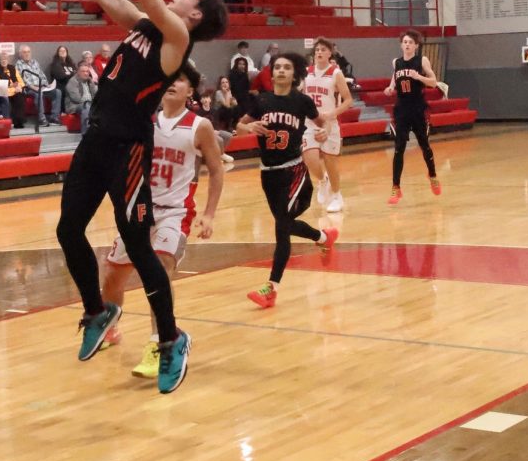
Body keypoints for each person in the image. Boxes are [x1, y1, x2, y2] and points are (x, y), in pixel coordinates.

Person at [55, 0, 228, 395]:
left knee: (137, 246)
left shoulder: (176, 37)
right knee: (68, 229)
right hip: (95, 140)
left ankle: (172, 340)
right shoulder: (141, 28)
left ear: (194, 16)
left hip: (129, 150)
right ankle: (97, 311)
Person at [100, 64, 225, 379]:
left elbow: (217, 169)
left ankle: (160, 344)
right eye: (169, 78)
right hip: (140, 210)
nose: (172, 84)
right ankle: (109, 326)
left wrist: (209, 213)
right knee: (113, 275)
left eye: (180, 80)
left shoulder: (200, 126)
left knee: (160, 268)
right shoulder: (145, 121)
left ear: (190, 90)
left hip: (175, 212)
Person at [238, 51, 338, 309]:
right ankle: (323, 237)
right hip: (267, 173)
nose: (281, 71)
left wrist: (323, 133)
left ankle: (271, 288)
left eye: (286, 67)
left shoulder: (301, 101)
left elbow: (322, 124)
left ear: (295, 74)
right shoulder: (261, 101)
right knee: (285, 224)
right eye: (278, 67)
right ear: (272, 73)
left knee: (281, 228)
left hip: (293, 171)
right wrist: (248, 128)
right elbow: (240, 125)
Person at [384, 28, 440, 204]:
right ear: (401, 45)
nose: (407, 45)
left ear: (416, 45)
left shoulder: (421, 60)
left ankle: (432, 175)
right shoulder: (396, 63)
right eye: (405, 42)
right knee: (399, 148)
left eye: (410, 42)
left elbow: (433, 82)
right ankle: (395, 188)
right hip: (402, 109)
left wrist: (420, 77)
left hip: (417, 107)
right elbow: (394, 81)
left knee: (424, 144)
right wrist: (390, 88)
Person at [302, 37, 353, 213]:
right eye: (317, 50)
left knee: (330, 161)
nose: (319, 52)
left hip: (329, 123)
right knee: (310, 158)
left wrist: (333, 113)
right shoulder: (306, 73)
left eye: (323, 50)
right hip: (310, 121)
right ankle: (322, 181)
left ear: (330, 53)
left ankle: (337, 196)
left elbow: (348, 100)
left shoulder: (336, 73)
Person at [16, 45, 60, 126]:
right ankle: (41, 119)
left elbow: (42, 75)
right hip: (29, 88)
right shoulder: (19, 64)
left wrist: (46, 85)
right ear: (20, 54)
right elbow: (22, 80)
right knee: (38, 93)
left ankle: (54, 118)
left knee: (57, 92)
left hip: (40, 86)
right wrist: (34, 87)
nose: (27, 54)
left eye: (28, 52)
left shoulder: (35, 62)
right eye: (24, 52)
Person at [0, 51, 26, 129]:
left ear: (8, 60)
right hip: (4, 92)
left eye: (5, 59)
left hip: (14, 91)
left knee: (20, 97)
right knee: (6, 98)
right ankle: (7, 123)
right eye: (2, 59)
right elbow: (0, 86)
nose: (4, 61)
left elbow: (20, 81)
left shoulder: (12, 68)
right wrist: (13, 88)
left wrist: (19, 87)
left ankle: (18, 122)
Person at [63, 61, 98, 134]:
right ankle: (85, 133)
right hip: (73, 106)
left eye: (87, 71)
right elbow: (76, 99)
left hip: (88, 103)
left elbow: (95, 95)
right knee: (86, 106)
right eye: (83, 71)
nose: (85, 73)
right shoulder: (73, 81)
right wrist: (90, 102)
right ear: (78, 72)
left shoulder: (90, 81)